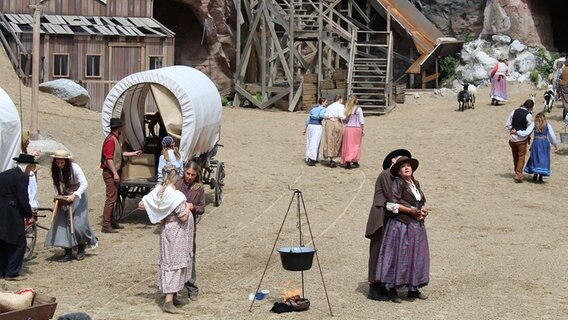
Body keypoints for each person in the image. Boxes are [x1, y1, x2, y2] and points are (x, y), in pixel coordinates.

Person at [139, 165, 194, 314]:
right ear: (175, 177)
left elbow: (142, 204)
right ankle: (168, 301)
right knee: (175, 262)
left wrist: (160, 211)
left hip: (167, 231)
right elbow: (183, 216)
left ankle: (172, 295)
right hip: (176, 232)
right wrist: (188, 206)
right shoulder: (175, 195)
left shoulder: (158, 190)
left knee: (169, 261)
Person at [376, 156, 430, 303]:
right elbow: (391, 204)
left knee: (416, 255)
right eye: (403, 167)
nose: (406, 168)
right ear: (399, 172)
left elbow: (419, 202)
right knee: (398, 255)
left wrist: (423, 211)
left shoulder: (415, 183)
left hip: (416, 226)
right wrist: (410, 211)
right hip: (400, 225)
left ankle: (413, 288)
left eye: (408, 166)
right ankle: (393, 291)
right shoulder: (398, 183)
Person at [366, 149, 412, 301]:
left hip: (392, 218)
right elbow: (392, 197)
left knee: (386, 253)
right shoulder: (386, 175)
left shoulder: (399, 178)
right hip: (381, 217)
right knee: (377, 251)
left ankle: (381, 284)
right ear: (393, 161)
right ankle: (373, 287)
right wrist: (412, 210)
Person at [44, 150, 97, 262]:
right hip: (65, 196)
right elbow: (56, 183)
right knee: (64, 224)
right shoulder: (56, 170)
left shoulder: (75, 168)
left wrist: (74, 195)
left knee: (79, 224)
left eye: (62, 163)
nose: (60, 165)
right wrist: (58, 194)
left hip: (78, 196)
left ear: (66, 161)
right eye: (58, 163)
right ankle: (67, 251)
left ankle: (81, 247)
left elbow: (84, 183)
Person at [100, 117, 142, 233]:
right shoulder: (110, 141)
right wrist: (115, 173)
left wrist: (134, 153)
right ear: (118, 128)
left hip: (112, 172)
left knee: (113, 198)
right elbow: (109, 159)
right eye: (121, 127)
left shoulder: (113, 139)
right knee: (111, 199)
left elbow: (119, 154)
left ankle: (112, 221)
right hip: (110, 172)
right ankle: (106, 224)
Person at [0, 154, 37, 281]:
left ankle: (2, 271)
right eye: (31, 167)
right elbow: (23, 198)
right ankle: (12, 273)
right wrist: (28, 214)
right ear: (27, 166)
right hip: (12, 211)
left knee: (3, 241)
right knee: (19, 242)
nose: (31, 171)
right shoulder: (21, 177)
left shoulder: (5, 174)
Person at [175, 162, 205, 301]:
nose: (190, 177)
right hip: (175, 226)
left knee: (190, 257)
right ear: (184, 172)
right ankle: (175, 287)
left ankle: (191, 286)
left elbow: (202, 208)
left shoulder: (199, 188)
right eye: (188, 173)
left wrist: (193, 207)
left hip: (190, 227)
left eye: (193, 175)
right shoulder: (176, 184)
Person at [505, 99, 535, 183]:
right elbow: (530, 128)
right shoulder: (528, 115)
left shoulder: (514, 111)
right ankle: (518, 174)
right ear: (530, 107)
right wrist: (527, 136)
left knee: (515, 156)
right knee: (521, 157)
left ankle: (517, 172)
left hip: (512, 139)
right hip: (521, 139)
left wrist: (511, 130)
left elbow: (507, 124)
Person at [523, 112, 558, 183]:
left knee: (535, 157)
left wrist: (520, 134)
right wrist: (555, 144)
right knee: (544, 159)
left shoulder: (534, 124)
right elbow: (552, 136)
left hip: (536, 143)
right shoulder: (547, 125)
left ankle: (535, 173)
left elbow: (527, 132)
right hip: (544, 143)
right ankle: (541, 176)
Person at [341, 95, 364, 169]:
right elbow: (361, 120)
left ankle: (350, 161)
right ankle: (353, 159)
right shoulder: (358, 109)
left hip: (348, 128)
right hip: (356, 128)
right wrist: (362, 129)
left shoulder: (347, 108)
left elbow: (344, 120)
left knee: (348, 145)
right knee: (356, 145)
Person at [302, 98, 327, 166]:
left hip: (310, 125)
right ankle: (312, 158)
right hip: (317, 125)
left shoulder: (313, 109)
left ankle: (309, 157)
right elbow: (321, 115)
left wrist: (305, 128)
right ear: (322, 102)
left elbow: (308, 119)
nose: (326, 104)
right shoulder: (323, 109)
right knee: (315, 141)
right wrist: (327, 117)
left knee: (310, 141)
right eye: (325, 102)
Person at [323, 95, 345, 168]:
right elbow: (341, 115)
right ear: (339, 99)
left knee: (330, 140)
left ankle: (331, 158)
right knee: (337, 139)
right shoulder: (341, 106)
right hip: (336, 122)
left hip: (329, 122)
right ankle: (334, 158)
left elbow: (325, 115)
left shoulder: (329, 106)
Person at [148, 111, 169, 179]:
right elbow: (150, 125)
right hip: (171, 138)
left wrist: (154, 136)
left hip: (162, 138)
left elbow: (150, 125)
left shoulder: (159, 113)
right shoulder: (174, 110)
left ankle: (157, 173)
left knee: (158, 155)